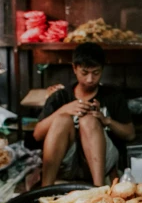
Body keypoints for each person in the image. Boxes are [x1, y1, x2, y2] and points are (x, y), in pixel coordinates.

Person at [34, 43, 135, 187]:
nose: (90, 79)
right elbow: (37, 134)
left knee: (89, 121)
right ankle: (45, 189)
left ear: (102, 70)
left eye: (96, 73)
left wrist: (106, 120)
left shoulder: (113, 96)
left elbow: (130, 134)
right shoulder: (60, 97)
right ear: (74, 68)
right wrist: (64, 109)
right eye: (84, 72)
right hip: (66, 163)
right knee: (62, 120)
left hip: (101, 163)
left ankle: (98, 188)